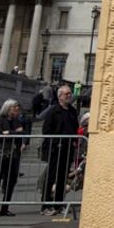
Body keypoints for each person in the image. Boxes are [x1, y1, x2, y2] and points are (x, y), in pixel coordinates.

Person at [41, 85, 79, 216]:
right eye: (66, 94)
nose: (68, 96)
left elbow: (75, 128)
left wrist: (74, 142)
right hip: (55, 148)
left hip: (67, 148)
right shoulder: (53, 111)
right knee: (51, 176)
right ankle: (45, 205)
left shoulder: (72, 111)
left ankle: (58, 204)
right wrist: (55, 142)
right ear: (59, 96)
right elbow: (46, 130)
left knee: (62, 178)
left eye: (69, 94)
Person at [0, 99, 27, 218]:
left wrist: (8, 133)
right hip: (0, 155)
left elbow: (21, 133)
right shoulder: (0, 120)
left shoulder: (16, 121)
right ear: (8, 108)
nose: (17, 110)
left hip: (13, 155)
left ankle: (5, 208)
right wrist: (13, 132)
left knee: (10, 182)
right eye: (15, 108)